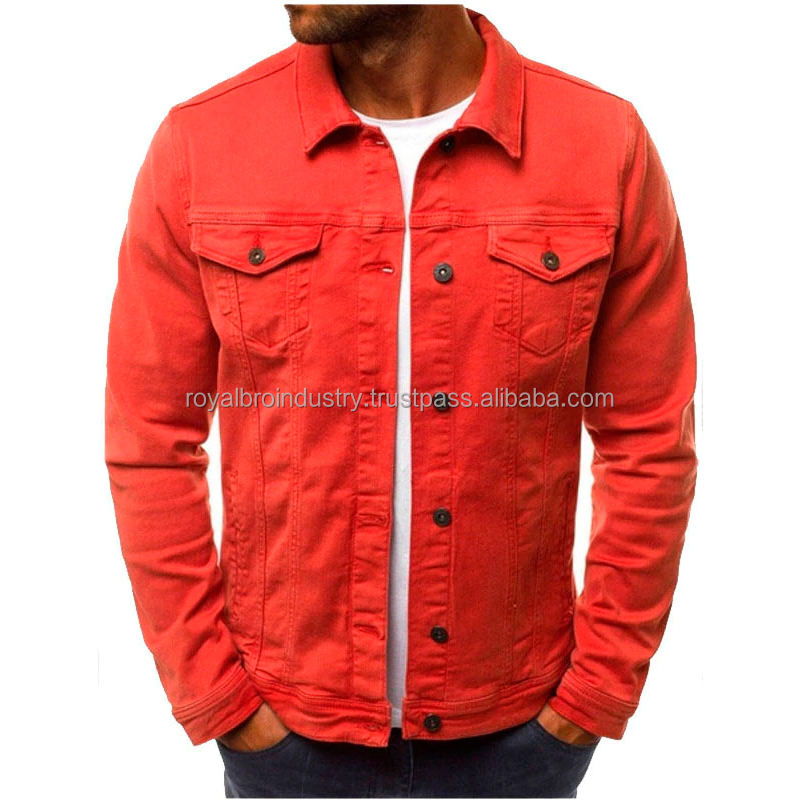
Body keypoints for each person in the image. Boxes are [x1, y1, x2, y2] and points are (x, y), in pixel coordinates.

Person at [105, 5, 697, 797]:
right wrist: (218, 695)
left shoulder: (601, 144)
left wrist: (593, 695)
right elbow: (150, 438)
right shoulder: (202, 144)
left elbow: (648, 438)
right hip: (285, 739)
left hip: (520, 738)